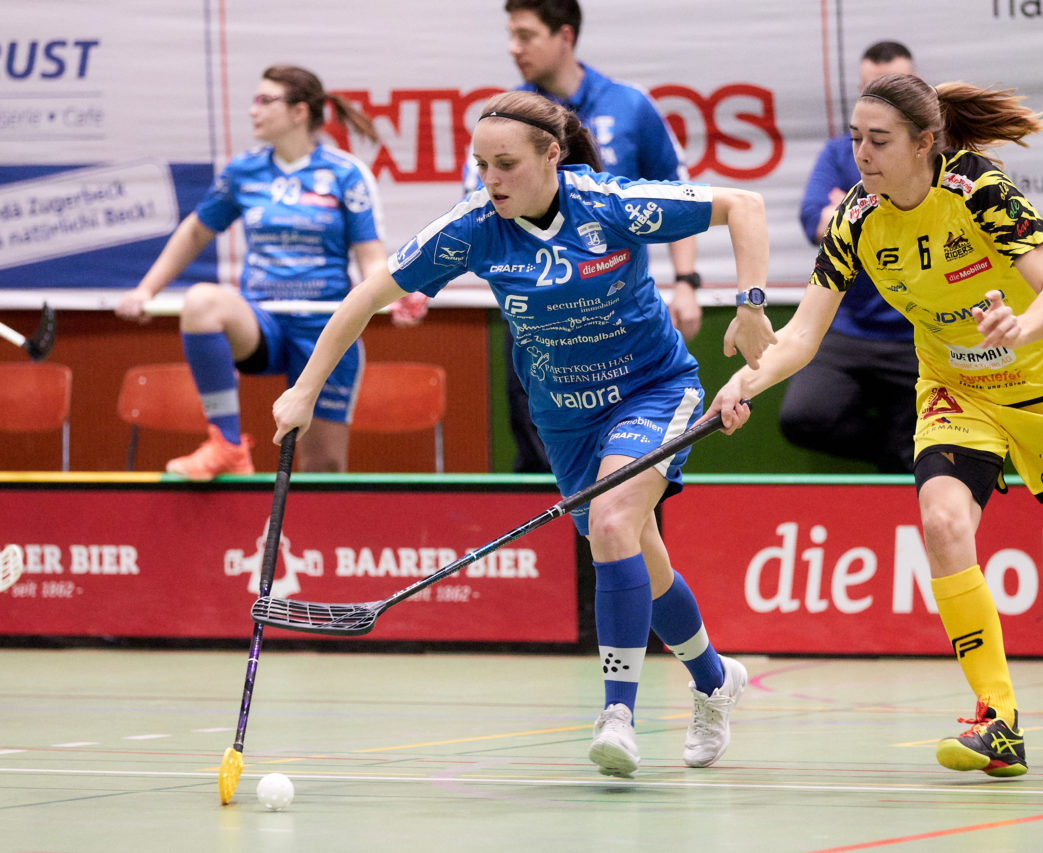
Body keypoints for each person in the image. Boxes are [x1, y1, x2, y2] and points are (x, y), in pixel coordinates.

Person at [272, 91, 776, 777]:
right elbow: (367, 296)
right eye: (481, 164)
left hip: (654, 389)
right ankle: (716, 682)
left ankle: (619, 716)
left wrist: (749, 306)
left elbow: (742, 206)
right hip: (564, 416)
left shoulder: (611, 204)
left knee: (610, 521)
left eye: (505, 163)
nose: (490, 179)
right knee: (637, 549)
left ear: (551, 155)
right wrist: (303, 391)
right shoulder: (475, 227)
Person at [709, 73, 1043, 778]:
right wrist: (744, 382)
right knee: (940, 521)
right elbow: (803, 338)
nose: (861, 156)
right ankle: (999, 720)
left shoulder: (980, 191)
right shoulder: (856, 220)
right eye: (854, 140)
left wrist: (1019, 326)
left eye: (879, 141)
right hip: (957, 393)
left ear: (925, 142)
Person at [116, 64, 427, 479]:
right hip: (262, 323)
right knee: (201, 303)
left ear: (300, 112)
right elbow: (194, 232)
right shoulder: (243, 171)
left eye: (265, 101)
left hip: (326, 328)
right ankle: (226, 446)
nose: (253, 110)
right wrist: (145, 290)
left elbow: (370, 257)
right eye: (253, 100)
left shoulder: (345, 173)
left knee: (324, 468)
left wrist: (399, 292)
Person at [466, 0, 703, 473]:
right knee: (545, 469)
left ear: (565, 36)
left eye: (526, 35)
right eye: (511, 35)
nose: (514, 48)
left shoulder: (630, 105)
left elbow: (679, 196)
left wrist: (686, 281)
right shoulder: (503, 123)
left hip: (622, 323)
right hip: (540, 331)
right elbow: (479, 211)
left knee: (633, 477)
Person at [782, 40, 918, 472]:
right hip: (848, 329)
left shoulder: (939, 159)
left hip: (921, 334)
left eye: (892, 93)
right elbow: (814, 220)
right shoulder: (841, 154)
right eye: (868, 93)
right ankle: (893, 453)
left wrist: (852, 210)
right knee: (801, 417)